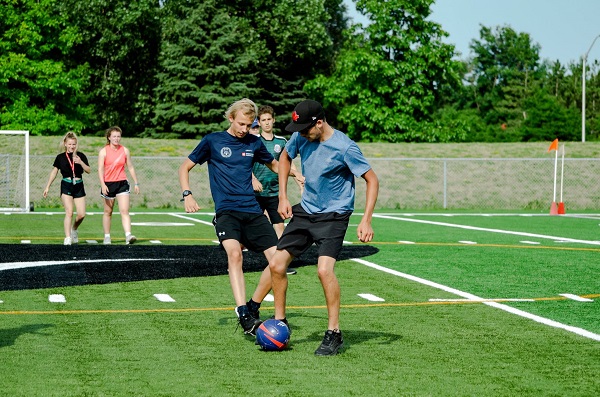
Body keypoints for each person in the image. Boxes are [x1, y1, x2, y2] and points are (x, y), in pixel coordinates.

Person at [179, 98, 301, 336]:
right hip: (227, 212)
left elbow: (275, 165)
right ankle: (243, 312)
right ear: (231, 118)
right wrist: (187, 194)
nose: (245, 129)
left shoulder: (254, 143)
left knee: (279, 262)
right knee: (235, 254)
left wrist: (294, 173)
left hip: (253, 212)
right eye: (242, 124)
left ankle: (254, 304)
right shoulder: (212, 141)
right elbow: (184, 167)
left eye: (249, 125)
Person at [269, 99, 379, 356]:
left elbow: (372, 180)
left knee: (323, 270)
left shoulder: (345, 147)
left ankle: (334, 333)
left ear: (319, 123)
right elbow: (285, 156)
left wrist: (366, 219)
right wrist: (283, 196)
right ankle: (280, 324)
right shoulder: (301, 136)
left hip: (334, 216)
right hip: (306, 211)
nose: (301, 134)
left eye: (306, 129)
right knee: (276, 264)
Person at [251, 105, 304, 275]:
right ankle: (235, 260)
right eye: (263, 120)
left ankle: (282, 264)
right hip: (255, 193)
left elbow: (288, 163)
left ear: (273, 120)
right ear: (259, 122)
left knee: (279, 226)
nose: (267, 123)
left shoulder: (281, 142)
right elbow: (245, 164)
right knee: (248, 228)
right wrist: (253, 179)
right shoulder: (253, 141)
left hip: (274, 192)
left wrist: (298, 179)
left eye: (269, 119)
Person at [43, 132, 91, 245]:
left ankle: (74, 229)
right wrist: (47, 187)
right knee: (69, 212)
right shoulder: (60, 157)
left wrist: (80, 162)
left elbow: (88, 170)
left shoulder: (81, 155)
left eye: (74, 144)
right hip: (66, 184)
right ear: (65, 144)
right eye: (69, 144)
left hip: (79, 185)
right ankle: (67, 237)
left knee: (81, 214)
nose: (72, 146)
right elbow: (54, 172)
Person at [98, 126, 140, 245]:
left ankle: (128, 235)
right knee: (108, 212)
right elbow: (100, 169)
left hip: (122, 183)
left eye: (118, 136)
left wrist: (136, 182)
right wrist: (102, 184)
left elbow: (130, 166)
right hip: (108, 184)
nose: (116, 139)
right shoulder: (103, 151)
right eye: (114, 136)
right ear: (109, 137)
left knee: (124, 210)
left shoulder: (125, 150)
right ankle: (107, 236)